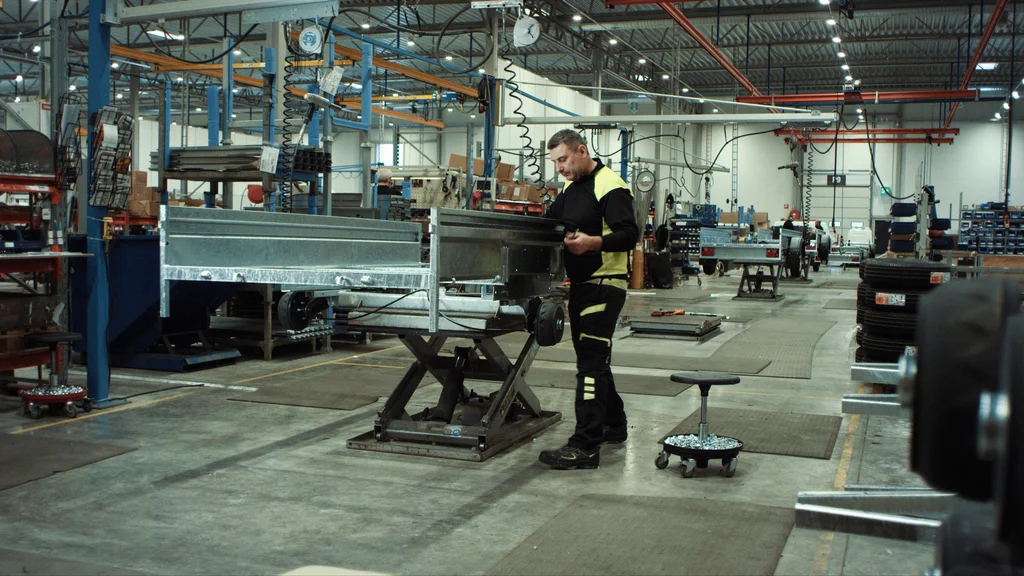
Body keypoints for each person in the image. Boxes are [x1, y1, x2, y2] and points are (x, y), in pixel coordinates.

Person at [539, 129, 639, 470]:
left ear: (582, 151)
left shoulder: (610, 185)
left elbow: (629, 234)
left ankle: (585, 445)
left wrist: (592, 243)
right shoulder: (571, 189)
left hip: (605, 285)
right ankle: (615, 424)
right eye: (555, 162)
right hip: (582, 286)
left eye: (563, 160)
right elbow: (549, 223)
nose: (559, 168)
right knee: (593, 359)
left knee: (590, 366)